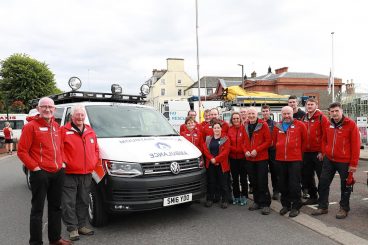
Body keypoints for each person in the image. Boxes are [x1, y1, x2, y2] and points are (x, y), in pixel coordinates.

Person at [17, 97, 71, 245]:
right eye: (44, 107)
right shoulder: (31, 126)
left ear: (54, 109)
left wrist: (63, 163)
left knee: (56, 208)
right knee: (37, 210)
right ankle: (35, 242)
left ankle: (55, 239)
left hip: (58, 172)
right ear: (38, 109)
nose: (47, 109)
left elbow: (60, 148)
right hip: (40, 174)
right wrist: (35, 168)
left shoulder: (56, 126)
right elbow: (22, 151)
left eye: (50, 107)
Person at [312, 102, 360, 219]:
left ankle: (344, 208)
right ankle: (323, 206)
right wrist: (325, 152)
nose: (334, 113)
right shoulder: (329, 124)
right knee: (323, 183)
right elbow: (324, 140)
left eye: (336, 111)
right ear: (330, 113)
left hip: (344, 161)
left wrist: (353, 164)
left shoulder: (351, 124)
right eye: (332, 111)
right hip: (329, 160)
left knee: (345, 185)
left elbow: (356, 145)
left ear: (341, 111)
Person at [60, 105, 99, 241]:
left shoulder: (90, 131)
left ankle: (81, 225)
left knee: (83, 200)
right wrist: (65, 162)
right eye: (77, 115)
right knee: (68, 202)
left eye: (82, 115)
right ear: (72, 116)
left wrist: (93, 162)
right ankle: (72, 228)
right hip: (69, 173)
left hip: (86, 173)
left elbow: (96, 149)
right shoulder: (63, 131)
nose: (80, 117)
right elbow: (59, 149)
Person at [272, 106, 307, 218]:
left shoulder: (300, 125)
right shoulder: (277, 126)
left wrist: (298, 154)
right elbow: (274, 141)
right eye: (284, 114)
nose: (287, 116)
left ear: (293, 113)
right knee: (282, 184)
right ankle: (285, 205)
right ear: (281, 114)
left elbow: (304, 142)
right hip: (280, 159)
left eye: (289, 114)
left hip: (295, 160)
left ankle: (296, 206)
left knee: (294, 184)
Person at [301, 98, 329, 205]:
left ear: (316, 105)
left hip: (318, 153)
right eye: (308, 104)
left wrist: (322, 151)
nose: (309, 106)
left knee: (321, 177)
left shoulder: (322, 118)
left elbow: (326, 137)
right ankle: (313, 197)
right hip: (306, 153)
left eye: (312, 104)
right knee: (308, 176)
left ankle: (322, 200)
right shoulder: (304, 118)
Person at [244, 107, 272, 215]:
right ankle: (257, 201)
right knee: (253, 181)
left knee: (262, 181)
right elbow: (243, 142)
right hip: (249, 158)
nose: (251, 115)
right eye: (249, 113)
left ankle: (265, 204)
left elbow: (268, 141)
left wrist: (257, 150)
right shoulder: (245, 125)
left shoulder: (263, 125)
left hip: (261, 158)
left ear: (257, 114)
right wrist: (245, 150)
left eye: (253, 113)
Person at [202, 120, 231, 209]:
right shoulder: (208, 139)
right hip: (210, 164)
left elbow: (226, 151)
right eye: (215, 128)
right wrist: (211, 159)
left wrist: (216, 159)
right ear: (212, 129)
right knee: (211, 182)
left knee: (223, 183)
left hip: (222, 164)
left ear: (221, 129)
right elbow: (205, 150)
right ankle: (210, 199)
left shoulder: (225, 138)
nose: (216, 129)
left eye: (218, 127)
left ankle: (225, 200)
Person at [228, 112, 248, 206]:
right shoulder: (230, 129)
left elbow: (245, 142)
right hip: (233, 158)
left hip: (242, 158)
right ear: (232, 120)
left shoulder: (244, 128)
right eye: (234, 118)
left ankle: (244, 195)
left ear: (240, 119)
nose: (236, 120)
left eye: (237, 118)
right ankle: (236, 196)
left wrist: (239, 150)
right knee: (235, 178)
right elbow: (228, 143)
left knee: (243, 178)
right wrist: (234, 150)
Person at [261, 105, 280, 200]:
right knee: (263, 173)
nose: (265, 113)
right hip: (262, 151)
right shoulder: (259, 123)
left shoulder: (275, 124)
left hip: (273, 151)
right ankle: (265, 192)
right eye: (263, 111)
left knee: (274, 172)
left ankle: (276, 191)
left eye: (266, 111)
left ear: (270, 112)